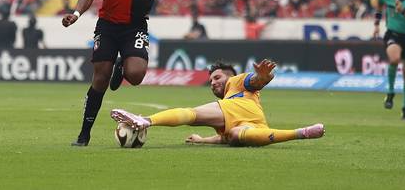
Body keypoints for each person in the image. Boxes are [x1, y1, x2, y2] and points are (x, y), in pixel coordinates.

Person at [62, 0, 233, 146]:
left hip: (136, 26)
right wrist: (77, 13)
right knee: (100, 78)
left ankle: (122, 65)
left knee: (135, 76)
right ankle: (84, 135)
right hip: (109, 25)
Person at [110, 59, 325, 147]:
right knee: (234, 137)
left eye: (217, 78)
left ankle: (145, 120)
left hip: (242, 116)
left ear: (230, 76)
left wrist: (264, 77)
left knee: (192, 114)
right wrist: (203, 140)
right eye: (211, 80)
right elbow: (221, 138)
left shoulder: (236, 81)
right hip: (253, 125)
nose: (213, 83)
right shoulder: (227, 105)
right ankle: (301, 133)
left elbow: (257, 80)